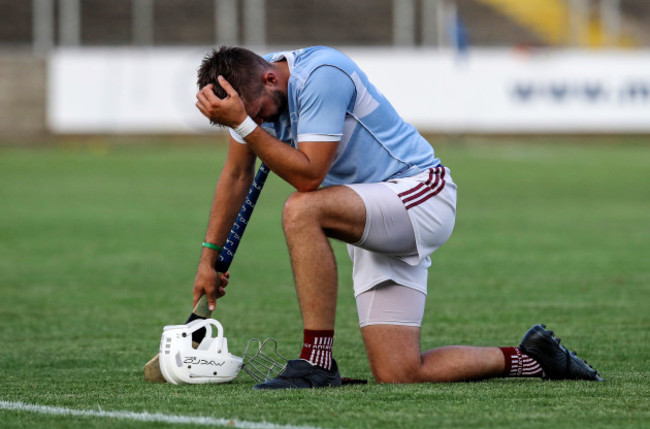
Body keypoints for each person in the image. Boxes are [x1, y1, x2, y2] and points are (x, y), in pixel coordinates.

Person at [192, 46, 602, 389]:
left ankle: (317, 362)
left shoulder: (320, 75)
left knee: (300, 209)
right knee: (400, 372)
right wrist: (209, 258)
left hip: (420, 194)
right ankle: (534, 358)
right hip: (371, 208)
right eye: (250, 119)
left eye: (259, 114)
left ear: (270, 79)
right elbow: (236, 175)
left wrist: (245, 125)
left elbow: (309, 176)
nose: (259, 123)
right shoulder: (245, 100)